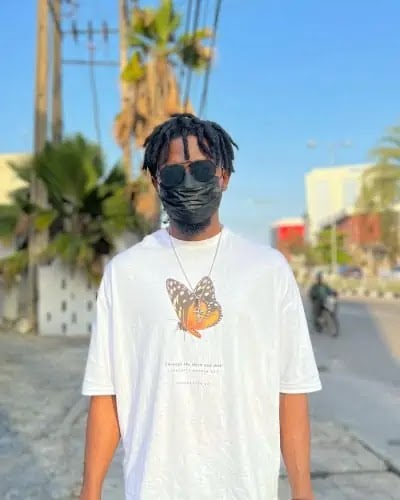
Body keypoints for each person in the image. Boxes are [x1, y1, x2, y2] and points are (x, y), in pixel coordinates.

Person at [80, 113, 321, 500]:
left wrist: (303, 491)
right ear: (156, 182)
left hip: (246, 488)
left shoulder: (268, 270)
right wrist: (90, 491)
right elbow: (107, 393)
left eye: (203, 170)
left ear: (224, 176)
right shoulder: (125, 274)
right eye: (174, 173)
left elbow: (291, 389)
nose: (188, 182)